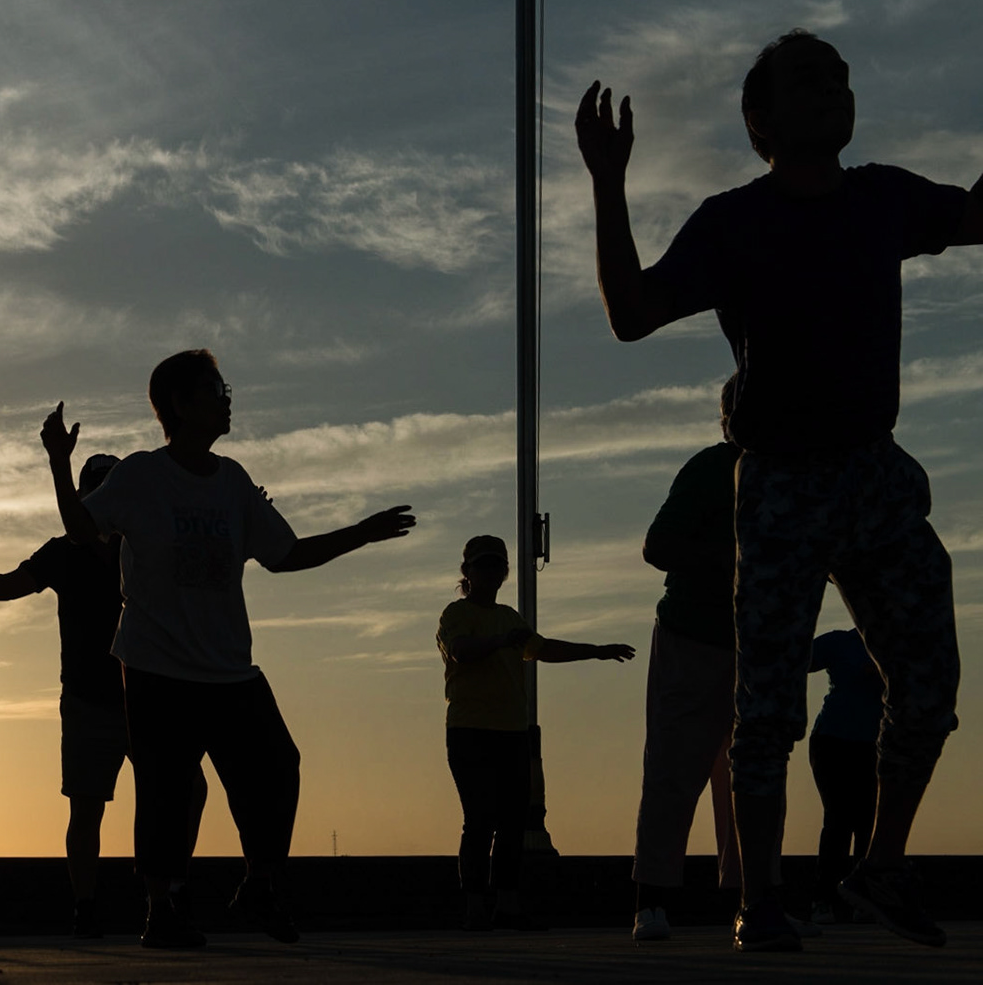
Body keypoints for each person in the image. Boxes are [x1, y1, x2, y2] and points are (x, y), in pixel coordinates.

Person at [575, 29, 979, 950]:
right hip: (782, 483)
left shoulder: (883, 198)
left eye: (840, 77)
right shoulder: (734, 222)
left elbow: (977, 217)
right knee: (764, 710)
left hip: (873, 471)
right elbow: (632, 314)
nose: (833, 89)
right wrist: (608, 182)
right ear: (760, 120)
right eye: (809, 81)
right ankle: (760, 899)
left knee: (929, 687)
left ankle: (881, 867)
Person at [41, 350, 416, 949]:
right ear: (181, 405)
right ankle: (160, 910)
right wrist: (60, 464)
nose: (227, 401)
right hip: (156, 665)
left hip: (229, 669)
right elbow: (83, 529)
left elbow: (286, 554)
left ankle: (259, 884)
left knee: (277, 768)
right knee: (165, 789)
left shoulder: (233, 482)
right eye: (216, 391)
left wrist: (362, 534)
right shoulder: (140, 476)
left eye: (226, 390)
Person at [0, 451, 208, 938]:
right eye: (97, 488)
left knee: (187, 790)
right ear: (84, 496)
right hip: (89, 700)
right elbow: (11, 586)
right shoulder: (63, 552)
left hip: (148, 695)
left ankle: (169, 892)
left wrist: (235, 523)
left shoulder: (146, 546)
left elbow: (203, 570)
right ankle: (87, 908)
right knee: (87, 809)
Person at [628, 373, 784, 941]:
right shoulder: (707, 470)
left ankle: (758, 899)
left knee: (759, 772)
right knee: (674, 768)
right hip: (693, 638)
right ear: (726, 419)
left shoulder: (790, 472)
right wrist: (726, 559)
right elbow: (657, 546)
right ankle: (650, 902)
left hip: (759, 643)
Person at [438, 535, 633, 932]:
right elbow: (461, 651)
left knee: (513, 820)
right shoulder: (456, 613)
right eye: (482, 565)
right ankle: (475, 906)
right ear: (467, 572)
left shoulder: (510, 618)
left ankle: (507, 905)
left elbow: (543, 649)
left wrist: (596, 650)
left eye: (496, 565)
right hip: (470, 730)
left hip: (512, 731)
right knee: (479, 819)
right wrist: (500, 642)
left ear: (504, 572)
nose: (490, 572)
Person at [808, 627, 881, 925]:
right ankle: (823, 900)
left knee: (867, 822)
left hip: (873, 745)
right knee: (838, 819)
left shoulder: (896, 647)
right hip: (832, 742)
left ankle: (864, 899)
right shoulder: (840, 642)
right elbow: (795, 660)